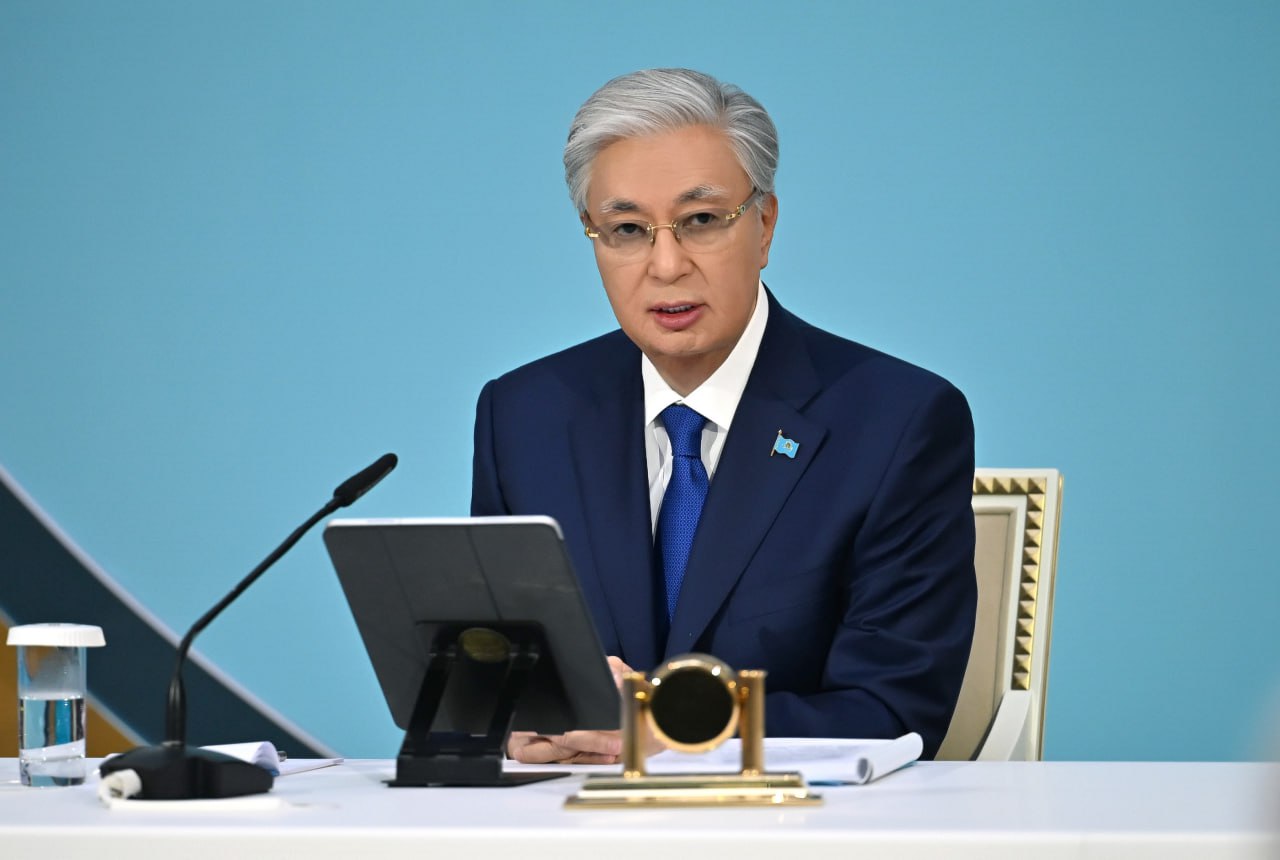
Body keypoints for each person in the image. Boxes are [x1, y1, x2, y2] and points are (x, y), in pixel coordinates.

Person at [471, 68, 976, 764]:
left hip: (797, 817)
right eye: (627, 230)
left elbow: (891, 709)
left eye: (701, 221)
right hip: (577, 812)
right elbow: (494, 671)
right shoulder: (525, 416)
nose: (666, 265)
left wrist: (665, 726)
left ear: (764, 226)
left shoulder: (897, 422)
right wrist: (507, 715)